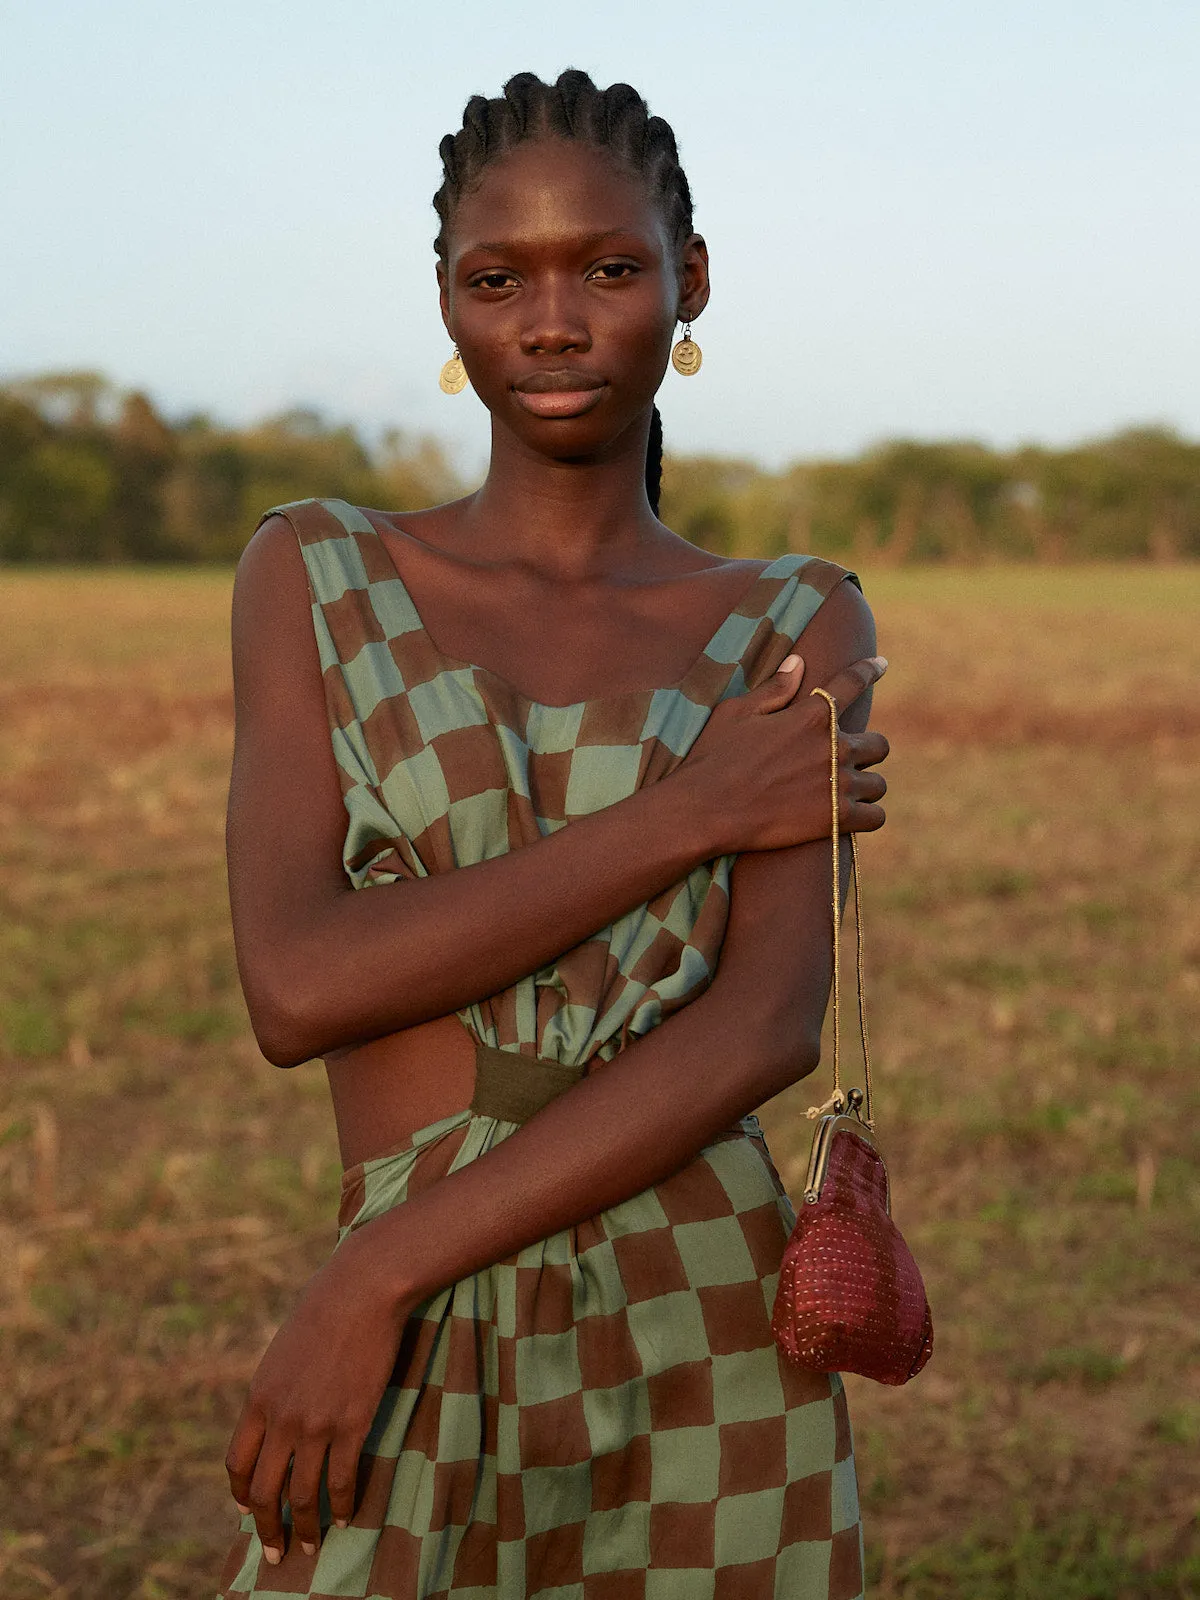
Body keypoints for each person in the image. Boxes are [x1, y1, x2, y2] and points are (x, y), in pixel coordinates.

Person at [218, 69, 889, 1600]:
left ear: (688, 279)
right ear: (446, 304)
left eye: (610, 266)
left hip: (702, 1324)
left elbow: (764, 1027)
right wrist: (699, 814)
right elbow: (300, 988)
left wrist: (370, 1273)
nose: (554, 322)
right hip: (402, 1333)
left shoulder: (797, 617)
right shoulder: (318, 577)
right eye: (497, 278)